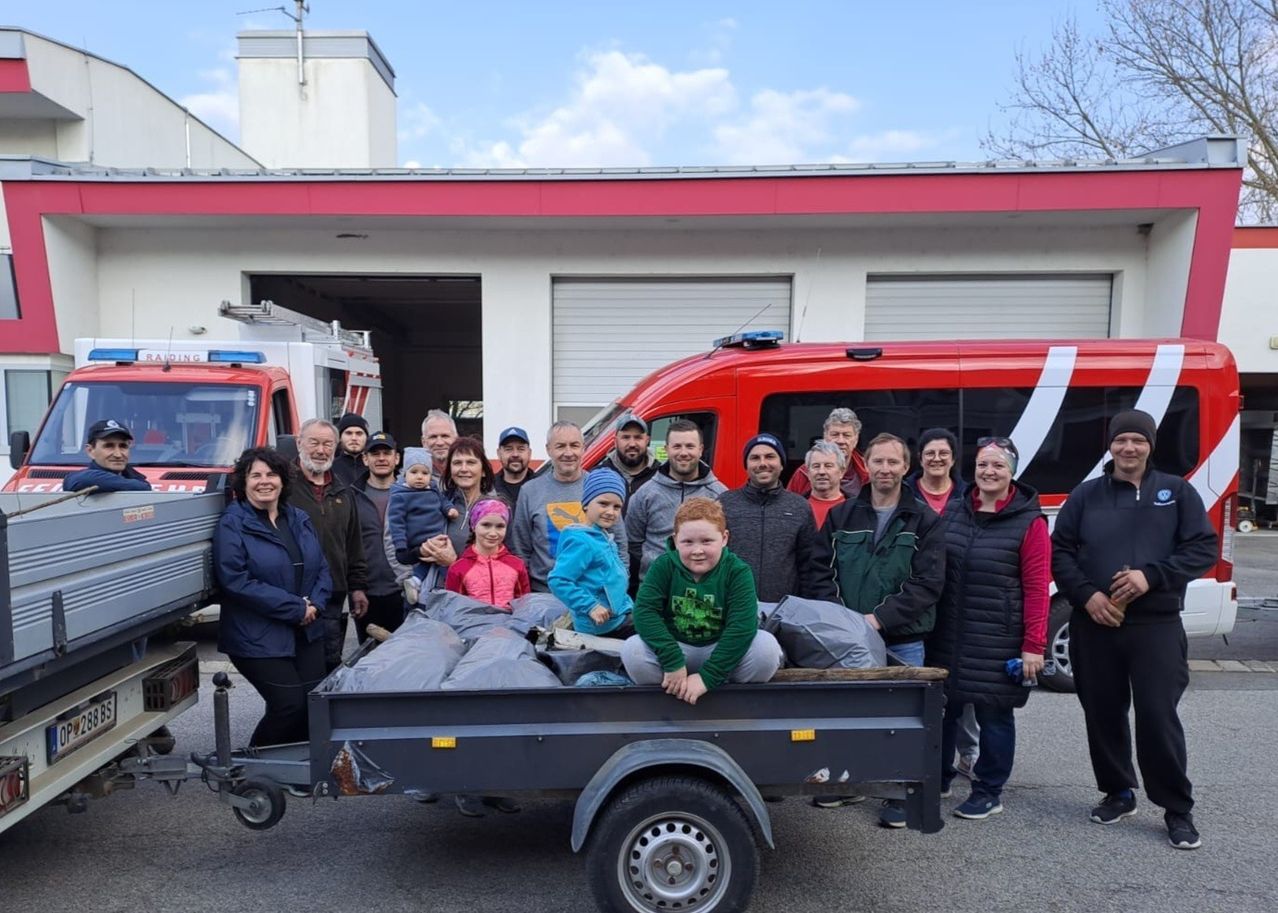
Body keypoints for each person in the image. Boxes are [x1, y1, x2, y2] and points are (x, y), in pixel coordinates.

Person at [1051, 410, 1217, 850]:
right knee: (1103, 713)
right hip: (1096, 623)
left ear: (1150, 446)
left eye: (1138, 441)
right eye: (1121, 440)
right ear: (1110, 445)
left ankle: (1177, 808)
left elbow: (1202, 547)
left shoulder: (1176, 492)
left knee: (1158, 716)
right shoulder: (1086, 496)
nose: (1129, 448)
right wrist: (1087, 596)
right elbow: (1061, 551)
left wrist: (1152, 576)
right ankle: (1118, 792)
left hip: (1156, 624)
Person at [809, 432, 946, 824]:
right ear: (864, 465)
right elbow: (820, 571)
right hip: (846, 639)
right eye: (878, 461)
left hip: (902, 639)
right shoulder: (842, 515)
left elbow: (927, 585)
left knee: (899, 722)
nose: (885, 469)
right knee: (847, 714)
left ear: (905, 467)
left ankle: (899, 794)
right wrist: (842, 619)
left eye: (893, 462)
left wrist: (877, 619)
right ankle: (849, 783)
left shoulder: (925, 520)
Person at [927, 437, 1050, 822]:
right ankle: (940, 777)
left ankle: (988, 790)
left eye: (998, 465)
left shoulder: (1029, 521)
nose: (989, 472)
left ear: (1012, 471)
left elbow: (1036, 587)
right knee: (944, 710)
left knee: (994, 715)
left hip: (999, 635)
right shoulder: (957, 512)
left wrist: (1034, 645)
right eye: (982, 465)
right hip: (950, 632)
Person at [214, 447, 330, 747]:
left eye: (271, 474)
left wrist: (315, 604)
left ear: (282, 480)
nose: (264, 481)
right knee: (288, 704)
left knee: (313, 704)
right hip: (256, 636)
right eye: (256, 475)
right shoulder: (233, 522)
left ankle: (296, 768)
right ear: (243, 482)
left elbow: (322, 567)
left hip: (306, 630)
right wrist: (295, 608)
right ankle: (255, 768)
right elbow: (235, 580)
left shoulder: (299, 518)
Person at [622, 497, 783, 704]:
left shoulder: (738, 571)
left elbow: (741, 626)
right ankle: (672, 690)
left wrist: (708, 677)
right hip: (677, 649)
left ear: (724, 538)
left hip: (721, 649)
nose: (697, 551)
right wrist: (671, 660)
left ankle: (718, 690)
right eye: (688, 542)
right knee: (632, 650)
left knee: (766, 649)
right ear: (675, 540)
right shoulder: (663, 566)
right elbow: (644, 612)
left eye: (707, 541)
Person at [910, 427, 979, 778]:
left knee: (963, 685)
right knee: (930, 684)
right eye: (930, 453)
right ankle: (932, 758)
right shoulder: (907, 495)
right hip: (917, 603)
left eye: (943, 453)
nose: (936, 459)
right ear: (919, 458)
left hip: (957, 600)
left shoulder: (969, 496)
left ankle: (968, 752)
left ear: (953, 458)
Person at [288, 418, 369, 672]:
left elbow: (353, 543)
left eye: (328, 444)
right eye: (314, 442)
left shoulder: (344, 492)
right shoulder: (283, 486)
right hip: (291, 593)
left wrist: (357, 587)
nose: (321, 450)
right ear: (299, 442)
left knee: (329, 663)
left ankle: (319, 713)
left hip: (333, 596)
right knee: (292, 665)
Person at [509, 421, 627, 592]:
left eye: (574, 445)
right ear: (548, 449)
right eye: (560, 446)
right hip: (545, 593)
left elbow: (620, 543)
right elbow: (521, 549)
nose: (568, 453)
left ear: (583, 448)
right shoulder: (529, 491)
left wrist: (618, 587)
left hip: (596, 595)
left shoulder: (601, 487)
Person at [718, 433, 822, 603]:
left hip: (784, 611)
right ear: (746, 465)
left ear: (781, 464)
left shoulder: (799, 507)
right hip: (733, 607)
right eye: (755, 458)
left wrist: (805, 605)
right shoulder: (725, 503)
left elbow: (808, 565)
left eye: (770, 456)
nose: (762, 463)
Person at [624, 419, 727, 588]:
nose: (683, 452)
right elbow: (632, 543)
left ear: (700, 450)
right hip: (656, 589)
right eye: (677, 446)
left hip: (704, 590)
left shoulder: (719, 494)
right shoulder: (645, 494)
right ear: (666, 450)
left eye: (690, 446)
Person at [548, 469, 634, 636]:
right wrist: (590, 606)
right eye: (603, 504)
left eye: (617, 507)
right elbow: (558, 580)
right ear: (586, 504)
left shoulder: (602, 536)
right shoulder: (582, 542)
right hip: (600, 627)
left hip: (618, 617)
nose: (611, 512)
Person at [350, 432, 410, 642]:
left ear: (397, 458)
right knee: (369, 659)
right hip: (366, 595)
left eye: (387, 453)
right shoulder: (351, 496)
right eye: (375, 454)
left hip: (404, 593)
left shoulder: (412, 493)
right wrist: (355, 588)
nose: (382, 458)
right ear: (365, 459)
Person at [388, 447, 459, 592]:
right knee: (439, 559)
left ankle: (415, 581)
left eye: (425, 473)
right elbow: (396, 522)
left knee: (434, 560)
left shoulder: (433, 488)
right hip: (418, 539)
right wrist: (400, 544)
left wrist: (449, 509)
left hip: (436, 535)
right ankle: (449, 586)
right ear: (405, 474)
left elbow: (443, 501)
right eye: (414, 472)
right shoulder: (400, 495)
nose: (419, 477)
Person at [445, 498, 531, 609]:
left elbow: (525, 606)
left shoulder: (517, 565)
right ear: (473, 525)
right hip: (471, 625)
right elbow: (453, 609)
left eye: (500, 526)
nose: (493, 533)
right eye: (486, 525)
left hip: (510, 625)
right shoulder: (458, 568)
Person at [786, 408, 869, 499]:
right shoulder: (804, 473)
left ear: (856, 439)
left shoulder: (868, 471)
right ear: (825, 436)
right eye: (835, 434)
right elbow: (789, 507)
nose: (840, 441)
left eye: (846, 435)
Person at [63, 419, 153, 492]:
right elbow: (85, 480)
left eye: (123, 446)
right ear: (90, 451)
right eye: (109, 446)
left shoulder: (136, 478)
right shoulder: (78, 479)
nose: (118, 454)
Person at [604, 413, 658, 499]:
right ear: (615, 441)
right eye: (626, 437)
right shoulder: (600, 475)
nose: (632, 444)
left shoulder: (661, 476)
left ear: (647, 441)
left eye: (638, 437)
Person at [802, 441, 847, 529]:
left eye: (828, 466)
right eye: (816, 466)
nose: (821, 472)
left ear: (842, 472)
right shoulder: (795, 508)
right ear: (808, 473)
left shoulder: (857, 508)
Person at [493, 425, 533, 505]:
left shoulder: (542, 486)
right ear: (499, 454)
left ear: (529, 453)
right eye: (508, 449)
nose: (515, 454)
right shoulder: (488, 487)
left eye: (521, 449)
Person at [332, 412, 370, 487]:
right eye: (348, 433)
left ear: (366, 437)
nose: (354, 438)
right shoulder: (330, 468)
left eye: (359, 433)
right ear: (339, 438)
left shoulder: (374, 466)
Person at [421, 409, 458, 480]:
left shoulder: (467, 472)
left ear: (456, 439)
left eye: (445, 436)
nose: (439, 443)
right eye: (433, 437)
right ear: (423, 442)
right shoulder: (409, 476)